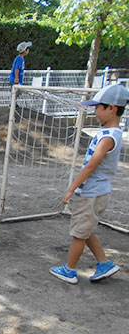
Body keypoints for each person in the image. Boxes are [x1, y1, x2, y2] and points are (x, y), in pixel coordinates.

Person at [50, 84, 129, 284]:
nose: (95, 112)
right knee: (86, 229)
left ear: (111, 108)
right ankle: (104, 263)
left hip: (92, 193)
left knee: (79, 234)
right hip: (95, 192)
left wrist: (71, 189)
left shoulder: (109, 137)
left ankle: (69, 270)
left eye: (98, 107)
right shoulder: (110, 134)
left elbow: (90, 166)